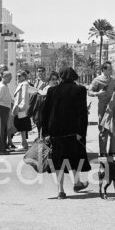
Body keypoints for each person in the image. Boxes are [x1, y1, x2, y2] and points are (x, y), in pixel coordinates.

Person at [41, 66, 90, 199]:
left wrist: (44, 132)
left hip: (55, 132)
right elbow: (82, 113)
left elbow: (45, 113)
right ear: (74, 77)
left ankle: (61, 190)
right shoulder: (80, 90)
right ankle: (77, 182)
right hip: (73, 132)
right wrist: (82, 132)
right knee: (74, 158)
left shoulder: (52, 90)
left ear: (61, 77)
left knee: (58, 162)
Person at [89, 61, 115, 157]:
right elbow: (89, 92)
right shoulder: (97, 80)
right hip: (103, 107)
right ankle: (103, 152)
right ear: (103, 69)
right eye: (109, 69)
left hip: (113, 107)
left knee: (114, 128)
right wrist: (97, 93)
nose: (111, 71)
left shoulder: (113, 80)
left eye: (111, 69)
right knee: (103, 128)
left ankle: (113, 150)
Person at [12, 70, 33, 150]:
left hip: (22, 109)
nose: (18, 77)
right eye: (17, 76)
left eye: (19, 76)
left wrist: (21, 107)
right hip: (20, 108)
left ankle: (24, 143)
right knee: (21, 127)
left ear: (24, 76)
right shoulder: (21, 84)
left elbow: (24, 97)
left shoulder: (24, 84)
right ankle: (23, 143)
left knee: (22, 126)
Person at [35, 71, 59, 138]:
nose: (55, 81)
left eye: (56, 79)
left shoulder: (57, 88)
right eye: (53, 79)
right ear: (49, 80)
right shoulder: (48, 88)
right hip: (47, 115)